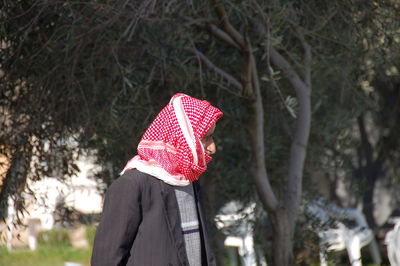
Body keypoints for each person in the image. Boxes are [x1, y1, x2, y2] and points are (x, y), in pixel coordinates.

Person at [91, 93, 223, 266]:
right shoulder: (132, 185)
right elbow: (106, 260)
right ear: (183, 137)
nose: (212, 147)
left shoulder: (190, 181)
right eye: (206, 137)